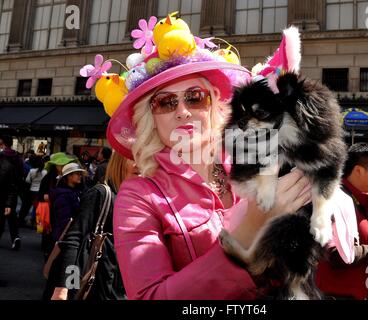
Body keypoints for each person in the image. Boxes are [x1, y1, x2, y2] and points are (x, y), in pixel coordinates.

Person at [101, 15, 312, 299]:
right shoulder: (137, 197)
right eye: (166, 102)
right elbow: (148, 296)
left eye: (195, 96)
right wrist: (248, 230)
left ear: (214, 104)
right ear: (150, 119)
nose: (183, 111)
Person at [50, 152, 138, 300]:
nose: (140, 164)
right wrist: (65, 288)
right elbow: (74, 240)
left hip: (125, 288)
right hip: (97, 285)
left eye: (146, 158)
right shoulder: (101, 194)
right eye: (134, 158)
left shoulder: (142, 199)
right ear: (119, 161)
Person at [315, 143, 368, 300]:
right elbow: (337, 255)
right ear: (359, 170)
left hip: (367, 291)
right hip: (338, 295)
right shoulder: (332, 200)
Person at [42, 162, 85, 300]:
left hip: (68, 241)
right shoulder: (63, 195)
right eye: (77, 173)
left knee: (62, 279)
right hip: (65, 241)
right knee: (63, 278)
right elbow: (65, 222)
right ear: (68, 176)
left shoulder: (76, 192)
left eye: (80, 173)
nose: (80, 176)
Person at [38, 152, 77, 260]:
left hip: (60, 210)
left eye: (63, 164)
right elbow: (41, 195)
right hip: (50, 209)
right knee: (49, 230)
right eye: (60, 165)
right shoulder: (48, 177)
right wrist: (51, 196)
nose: (61, 167)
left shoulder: (66, 176)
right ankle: (47, 251)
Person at [0, 151, 19, 250]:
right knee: (11, 219)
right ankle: (15, 237)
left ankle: (15, 238)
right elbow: (12, 187)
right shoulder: (9, 166)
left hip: (5, 199)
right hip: (8, 199)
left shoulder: (7, 167)